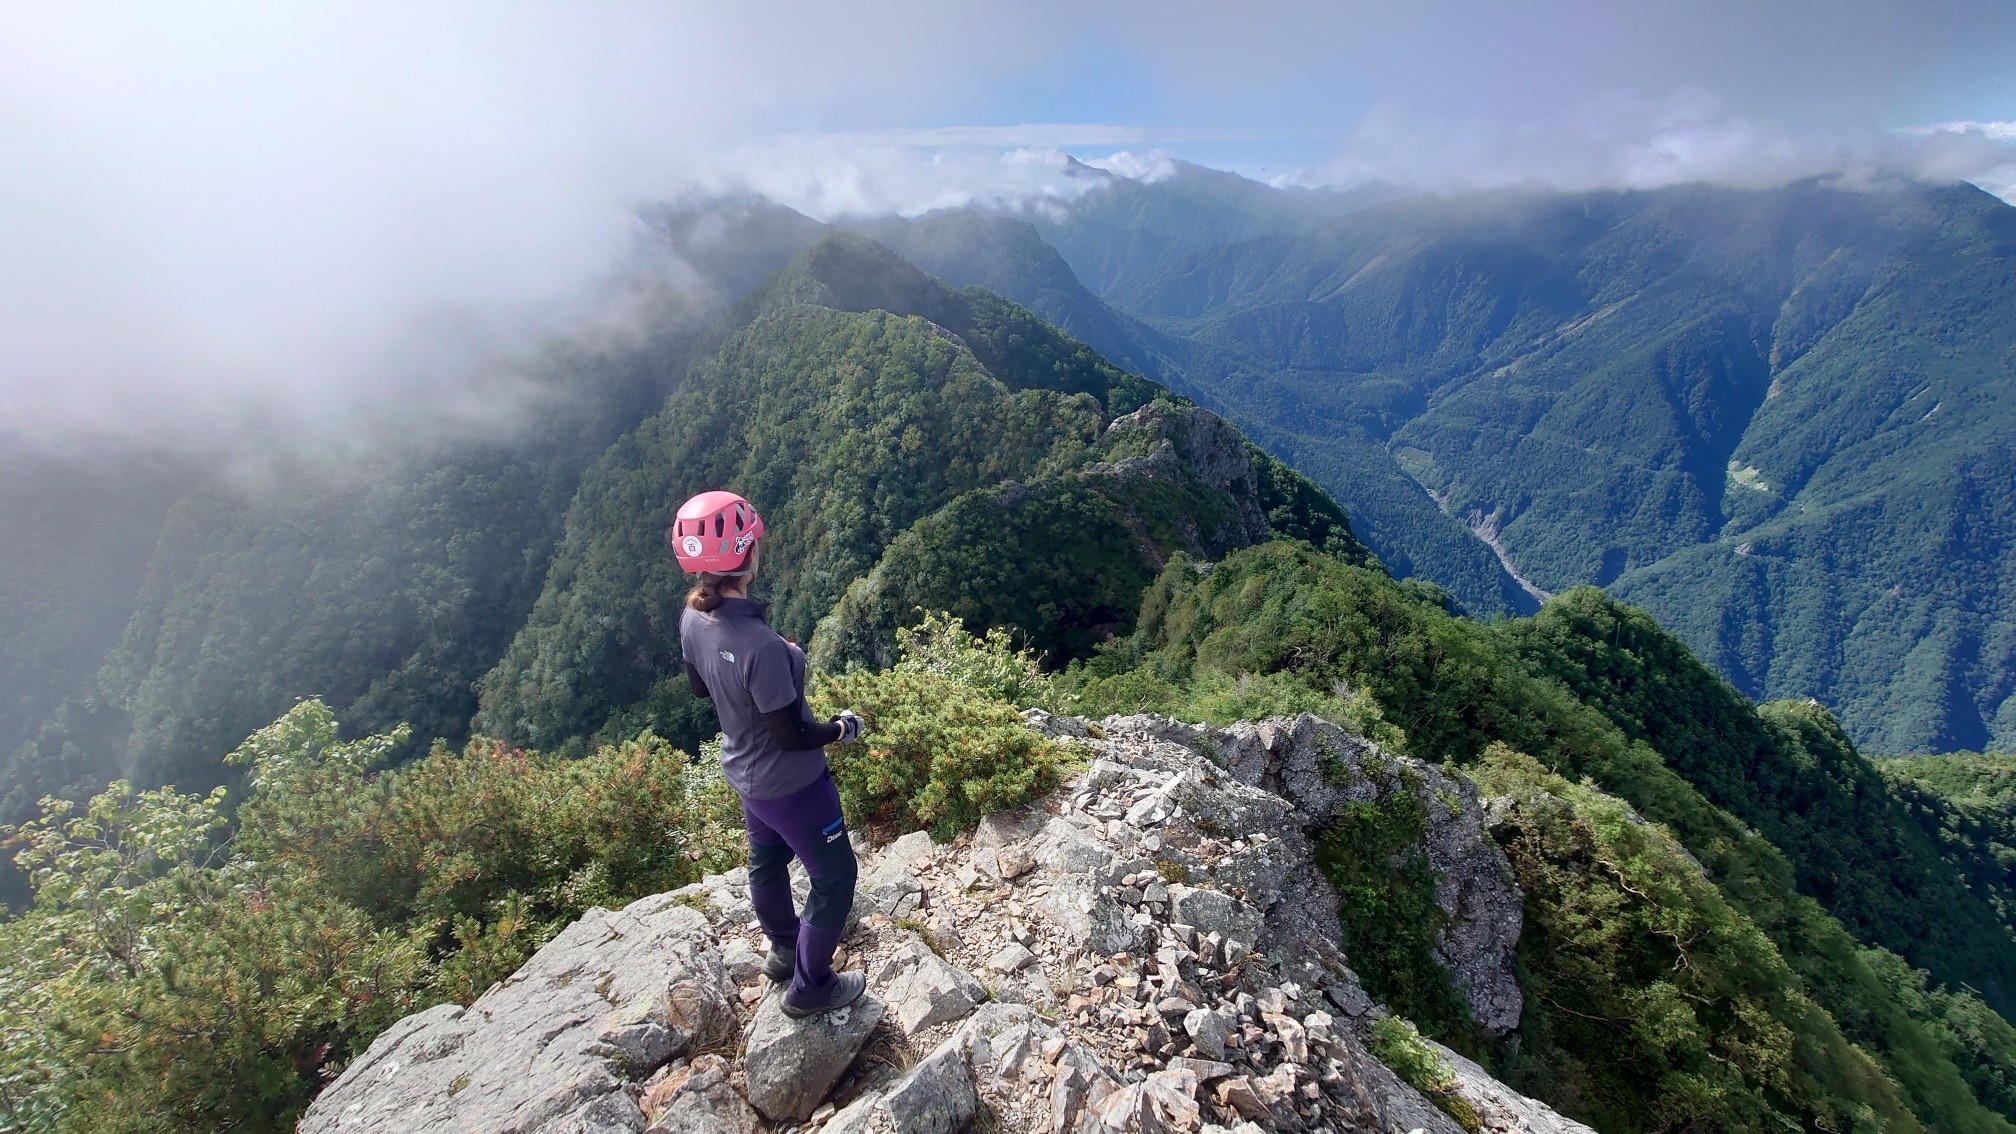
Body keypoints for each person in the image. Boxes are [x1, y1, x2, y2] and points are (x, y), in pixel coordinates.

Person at [672, 490, 869, 1017]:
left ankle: (784, 947)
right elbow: (793, 735)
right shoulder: (759, 645)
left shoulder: (694, 619)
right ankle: (810, 989)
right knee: (835, 878)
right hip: (794, 784)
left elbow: (699, 688)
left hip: (744, 773)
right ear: (746, 553)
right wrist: (841, 729)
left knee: (766, 859)